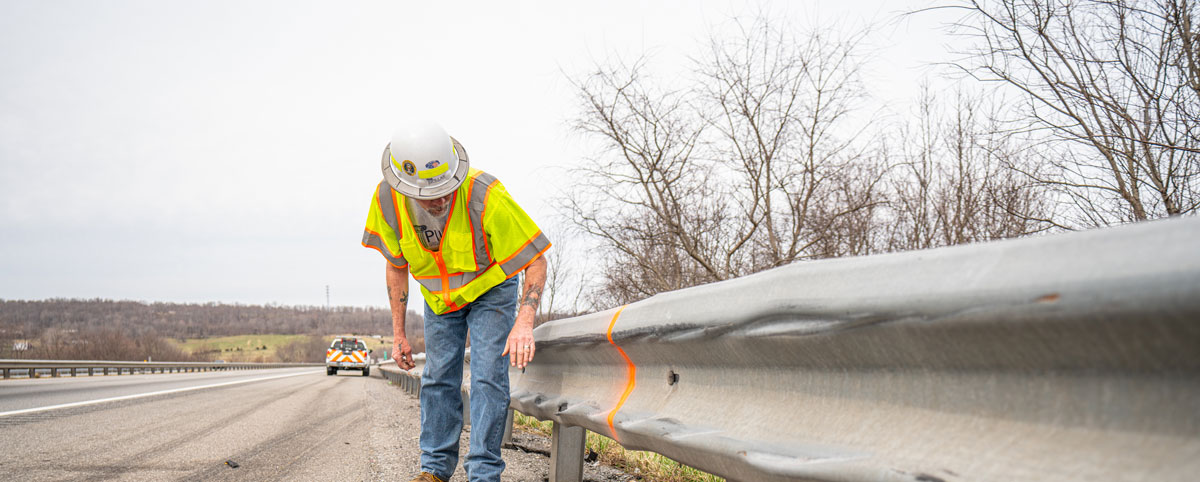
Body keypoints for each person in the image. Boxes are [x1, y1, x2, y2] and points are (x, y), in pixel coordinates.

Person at [361, 121, 550, 482]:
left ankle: (483, 472)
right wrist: (398, 333)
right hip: (438, 301)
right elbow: (396, 266)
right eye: (430, 193)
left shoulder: (485, 193)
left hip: (490, 292)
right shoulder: (387, 199)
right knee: (437, 379)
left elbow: (536, 259)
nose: (442, 198)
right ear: (404, 184)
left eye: (447, 187)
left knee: (487, 378)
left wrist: (523, 323)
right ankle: (433, 470)